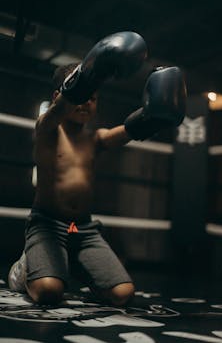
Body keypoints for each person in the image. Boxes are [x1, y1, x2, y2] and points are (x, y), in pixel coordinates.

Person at [8, 31, 186, 306]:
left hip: (83, 229)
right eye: (81, 96)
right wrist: (87, 76)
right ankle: (23, 270)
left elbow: (127, 131)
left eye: (92, 98)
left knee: (122, 294)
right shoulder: (48, 129)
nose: (86, 103)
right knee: (48, 293)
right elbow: (58, 110)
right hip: (46, 226)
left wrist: (153, 116)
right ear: (60, 96)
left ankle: (75, 265)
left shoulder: (96, 139)